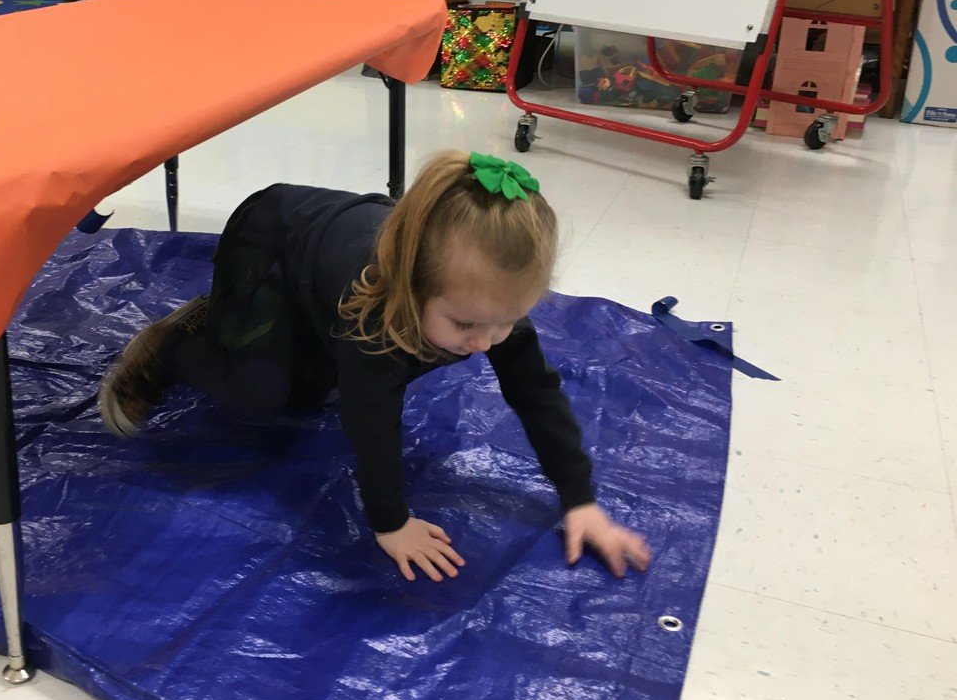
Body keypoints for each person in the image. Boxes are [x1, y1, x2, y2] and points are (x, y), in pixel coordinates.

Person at [99, 151, 651, 583]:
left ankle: (254, 331)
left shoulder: (485, 305)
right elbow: (371, 420)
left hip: (321, 266)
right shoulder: (374, 320)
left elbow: (537, 393)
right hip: (267, 241)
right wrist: (390, 522)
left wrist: (580, 499)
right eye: (465, 325)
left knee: (312, 388)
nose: (486, 342)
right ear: (412, 286)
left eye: (505, 322)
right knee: (260, 392)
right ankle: (176, 343)